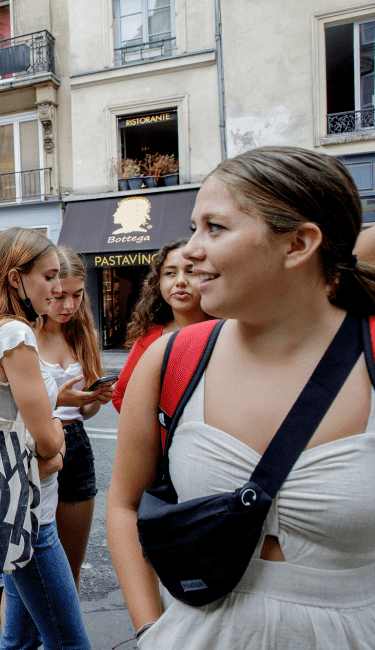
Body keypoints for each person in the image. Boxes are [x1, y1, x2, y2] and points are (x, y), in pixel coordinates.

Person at [107, 146, 375, 649]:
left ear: (298, 244)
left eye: (215, 228)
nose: (188, 251)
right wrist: (150, 630)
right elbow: (123, 504)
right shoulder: (171, 359)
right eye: (193, 227)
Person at [0, 227, 90, 650]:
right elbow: (49, 444)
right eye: (48, 277)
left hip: (17, 505)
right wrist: (59, 441)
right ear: (16, 279)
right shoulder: (16, 336)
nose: (55, 288)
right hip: (33, 516)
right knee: (70, 643)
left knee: (19, 640)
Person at [34, 246, 112, 592]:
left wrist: (95, 399)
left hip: (77, 445)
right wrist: (55, 399)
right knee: (26, 573)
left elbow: (86, 412)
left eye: (77, 295)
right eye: (59, 296)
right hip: (35, 447)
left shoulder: (85, 335)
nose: (68, 306)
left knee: (70, 572)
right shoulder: (24, 334)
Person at [112, 238, 211, 412]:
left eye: (191, 271)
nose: (180, 281)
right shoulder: (148, 340)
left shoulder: (231, 332)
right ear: (158, 283)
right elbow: (121, 396)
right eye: (170, 273)